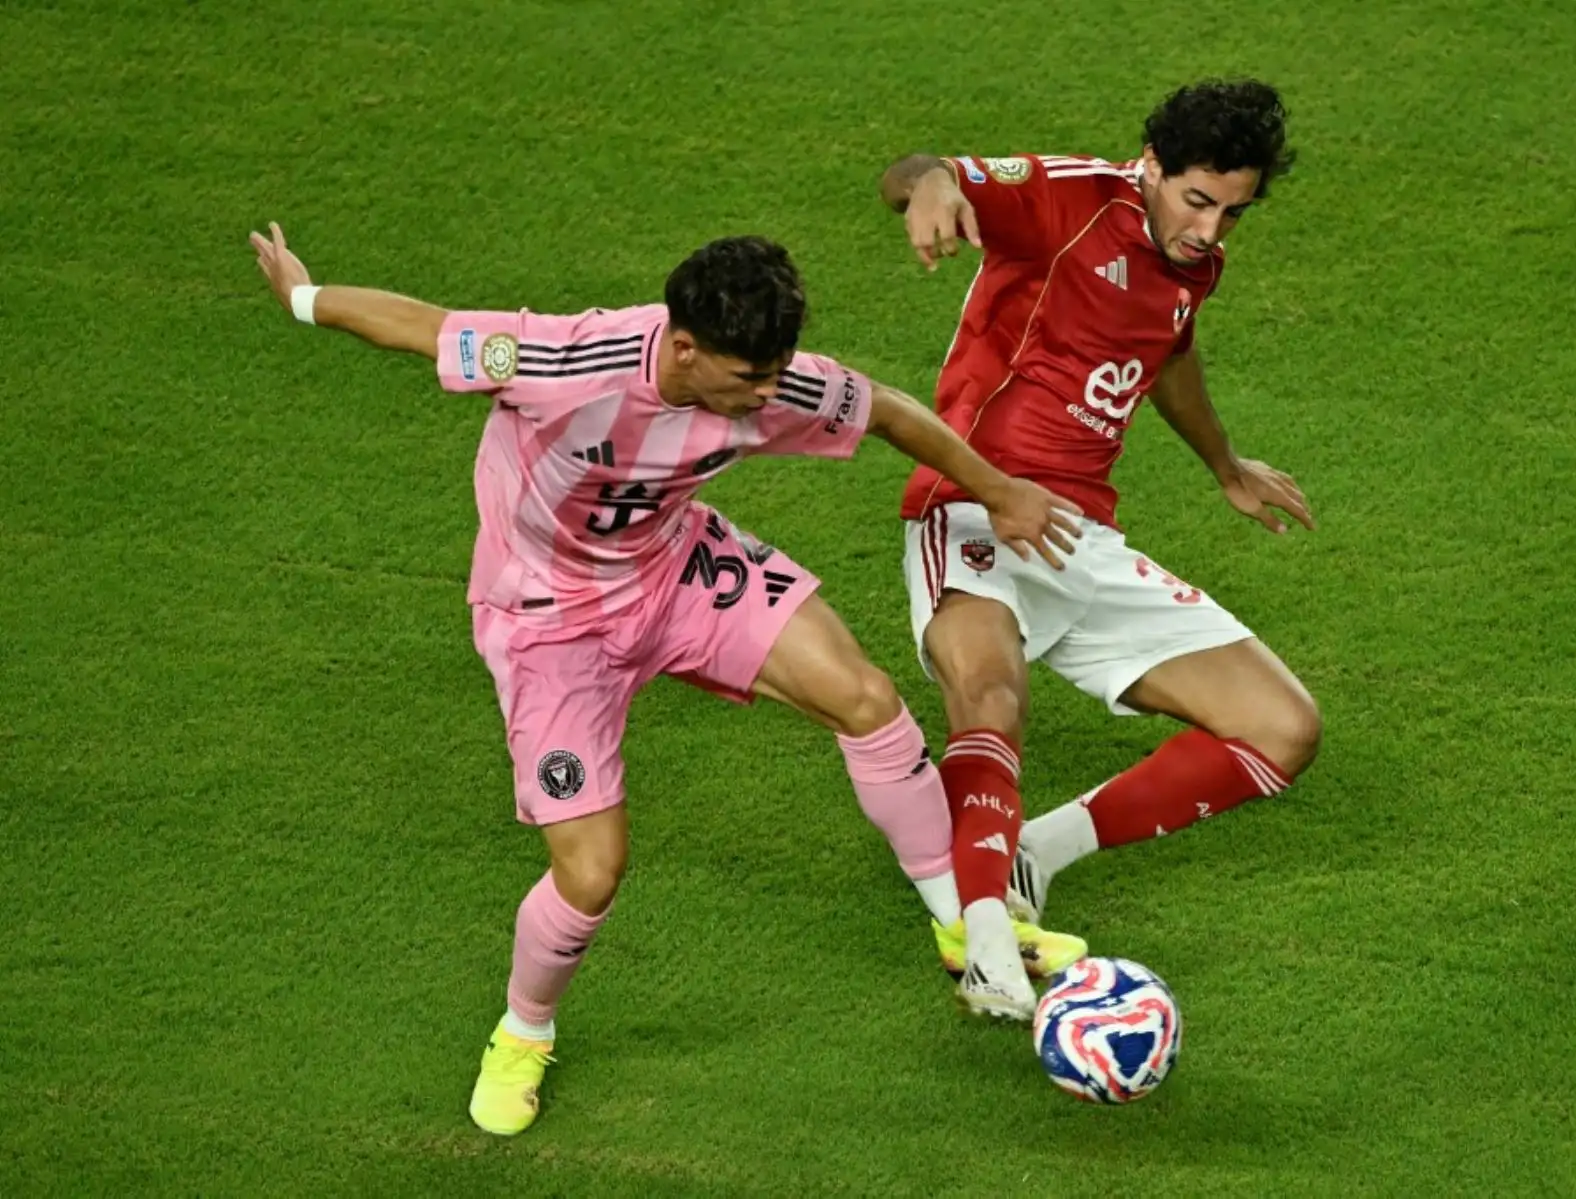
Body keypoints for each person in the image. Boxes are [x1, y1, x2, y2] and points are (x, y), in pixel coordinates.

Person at [247, 226, 1087, 1134]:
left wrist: (998, 489)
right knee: (591, 870)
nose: (769, 395)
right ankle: (524, 1030)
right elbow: (422, 325)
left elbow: (885, 409)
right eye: (750, 378)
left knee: (865, 698)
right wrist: (303, 296)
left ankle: (963, 925)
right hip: (548, 625)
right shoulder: (564, 363)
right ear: (684, 348)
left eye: (777, 372)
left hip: (674, 568)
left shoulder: (771, 379)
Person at [876, 79, 1321, 950]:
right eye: (1198, 200)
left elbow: (1168, 352)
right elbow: (921, 172)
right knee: (990, 694)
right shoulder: (1070, 198)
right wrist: (930, 186)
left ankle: (1037, 851)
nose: (1210, 231)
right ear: (1152, 164)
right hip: (976, 508)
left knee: (1284, 726)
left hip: (1080, 535)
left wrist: (1225, 465)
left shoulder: (1195, 262)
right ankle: (983, 942)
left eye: (1233, 213)